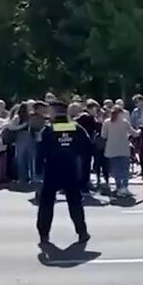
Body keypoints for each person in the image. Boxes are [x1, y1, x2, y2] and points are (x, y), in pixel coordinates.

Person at [35, 102, 92, 245]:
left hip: (52, 169)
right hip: (70, 168)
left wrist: (38, 171)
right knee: (75, 202)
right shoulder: (76, 128)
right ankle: (82, 232)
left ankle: (44, 234)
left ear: (53, 112)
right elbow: (87, 149)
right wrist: (85, 173)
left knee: (46, 203)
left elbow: (40, 152)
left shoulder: (48, 130)